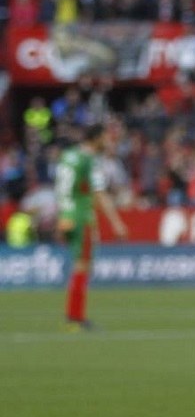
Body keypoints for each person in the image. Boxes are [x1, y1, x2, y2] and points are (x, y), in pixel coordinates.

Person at [55, 122, 128, 332]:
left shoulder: (69, 156)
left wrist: (63, 214)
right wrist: (116, 223)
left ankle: (74, 317)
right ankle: (75, 318)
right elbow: (99, 194)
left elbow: (62, 188)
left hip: (69, 215)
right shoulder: (89, 160)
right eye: (105, 137)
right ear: (95, 138)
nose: (108, 141)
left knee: (80, 264)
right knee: (83, 266)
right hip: (82, 217)